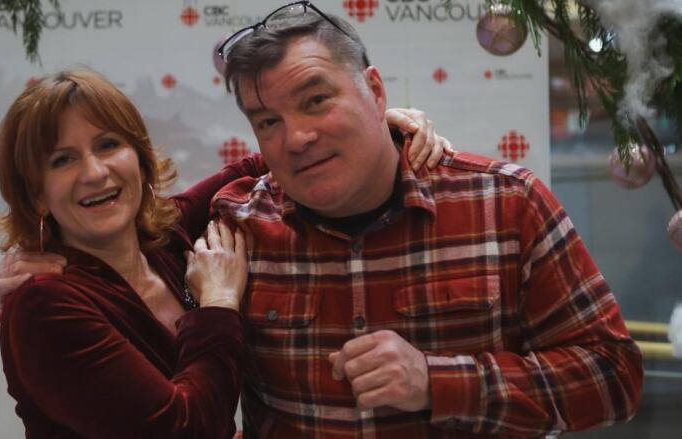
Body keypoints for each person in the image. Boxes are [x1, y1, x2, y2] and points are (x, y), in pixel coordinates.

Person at [207, 1, 642, 438]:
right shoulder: (238, 226)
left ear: (375, 92)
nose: (297, 138)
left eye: (317, 100)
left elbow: (614, 377)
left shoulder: (506, 204)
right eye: (268, 121)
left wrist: (440, 382)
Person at [0, 69, 448, 438]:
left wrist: (372, 122)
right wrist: (219, 305)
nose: (94, 172)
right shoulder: (45, 305)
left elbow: (262, 161)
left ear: (139, 156)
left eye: (108, 145)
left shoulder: (164, 238)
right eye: (62, 160)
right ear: (35, 196)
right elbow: (184, 429)